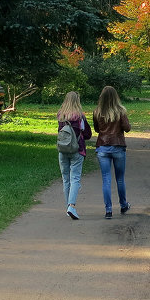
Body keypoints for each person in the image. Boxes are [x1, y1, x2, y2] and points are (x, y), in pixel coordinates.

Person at [92, 85, 131, 219]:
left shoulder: (97, 111)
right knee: (120, 179)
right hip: (118, 146)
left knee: (106, 180)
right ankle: (123, 205)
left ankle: (108, 210)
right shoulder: (120, 111)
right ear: (115, 97)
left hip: (102, 147)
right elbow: (127, 128)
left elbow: (97, 129)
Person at [57, 91, 92, 220]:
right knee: (75, 178)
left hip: (63, 150)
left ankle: (68, 207)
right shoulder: (80, 116)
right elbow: (88, 134)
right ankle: (71, 206)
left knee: (66, 179)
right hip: (77, 149)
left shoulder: (60, 115)